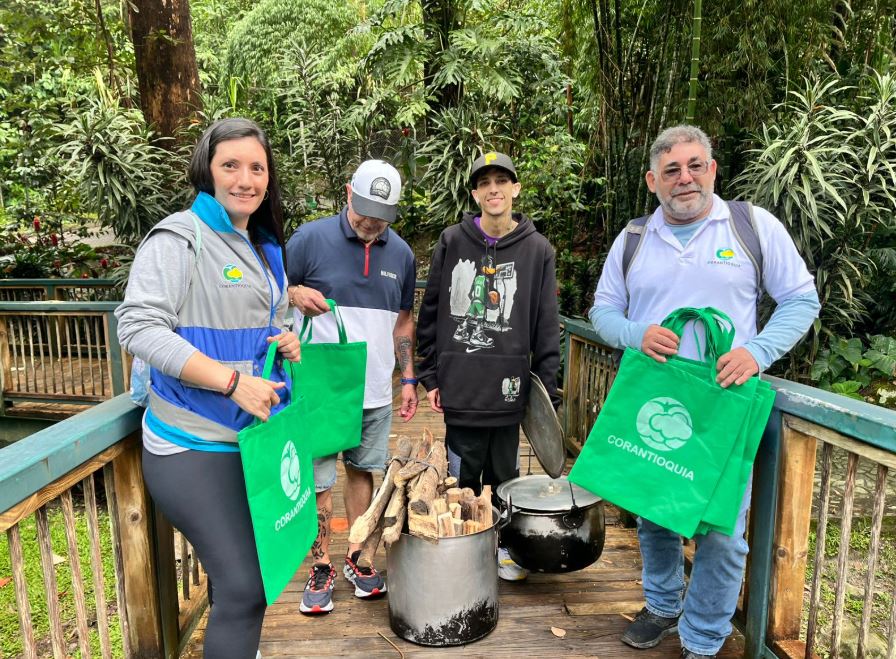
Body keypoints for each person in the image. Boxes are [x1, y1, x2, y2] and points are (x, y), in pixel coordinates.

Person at [589, 125, 821, 658]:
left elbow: (801, 300)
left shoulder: (751, 227)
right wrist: (635, 333)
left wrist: (757, 352)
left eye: (695, 165)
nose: (685, 178)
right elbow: (603, 310)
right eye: (671, 170)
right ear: (653, 181)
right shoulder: (633, 239)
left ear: (713, 169)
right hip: (657, 397)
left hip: (722, 403)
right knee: (654, 512)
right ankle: (663, 605)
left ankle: (703, 637)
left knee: (720, 529)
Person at [116, 118, 300, 659]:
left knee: (242, 580)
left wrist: (285, 340)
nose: (245, 178)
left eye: (256, 167)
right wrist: (232, 382)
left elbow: (266, 317)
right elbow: (138, 327)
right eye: (230, 165)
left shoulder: (264, 246)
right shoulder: (181, 236)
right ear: (208, 171)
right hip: (191, 441)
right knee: (247, 590)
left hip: (251, 441)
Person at [416, 151, 560, 581]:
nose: (493, 189)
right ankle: (463, 552)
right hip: (461, 388)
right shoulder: (452, 241)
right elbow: (432, 311)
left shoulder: (538, 251)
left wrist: (546, 397)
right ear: (476, 192)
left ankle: (504, 550)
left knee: (505, 478)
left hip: (509, 391)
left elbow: (546, 327)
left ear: (515, 189)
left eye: (502, 181)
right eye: (485, 182)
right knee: (460, 477)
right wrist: (429, 375)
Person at [286, 159, 418, 614]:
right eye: (364, 211)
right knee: (320, 480)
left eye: (381, 215)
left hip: (376, 389)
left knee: (364, 471)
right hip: (322, 386)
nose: (370, 222)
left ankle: (357, 557)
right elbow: (268, 292)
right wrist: (292, 294)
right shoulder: (308, 239)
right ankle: (319, 562)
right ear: (347, 194)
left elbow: (403, 321)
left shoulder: (401, 254)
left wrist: (408, 378)